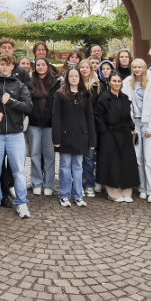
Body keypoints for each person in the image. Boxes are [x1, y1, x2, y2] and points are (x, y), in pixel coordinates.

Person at [0, 54, 32, 218]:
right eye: (2, 64)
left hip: (15, 135)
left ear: (13, 66)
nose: (4, 67)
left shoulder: (19, 85)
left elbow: (28, 107)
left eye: (7, 64)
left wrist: (11, 101)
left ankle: (22, 203)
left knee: (19, 171)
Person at [52, 65, 96, 208]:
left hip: (81, 136)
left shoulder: (85, 94)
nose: (74, 78)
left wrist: (92, 138)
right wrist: (56, 138)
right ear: (67, 78)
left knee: (78, 166)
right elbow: (56, 116)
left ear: (80, 78)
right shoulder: (60, 94)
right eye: (71, 76)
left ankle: (78, 195)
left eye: (76, 76)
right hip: (65, 136)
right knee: (65, 166)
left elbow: (90, 118)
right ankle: (64, 195)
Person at [94, 74, 139, 202]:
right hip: (109, 134)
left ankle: (126, 191)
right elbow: (98, 117)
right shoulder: (103, 98)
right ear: (109, 82)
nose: (117, 83)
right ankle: (113, 192)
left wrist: (132, 127)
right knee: (111, 163)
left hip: (124, 134)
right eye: (114, 81)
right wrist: (104, 132)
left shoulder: (125, 98)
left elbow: (128, 116)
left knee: (126, 163)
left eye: (119, 81)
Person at [126, 59, 151, 202]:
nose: (137, 69)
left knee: (150, 159)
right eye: (135, 67)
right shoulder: (127, 83)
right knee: (138, 159)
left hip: (147, 124)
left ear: (144, 68)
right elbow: (125, 105)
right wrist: (131, 126)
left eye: (140, 67)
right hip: (135, 124)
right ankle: (142, 188)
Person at [28, 57, 59, 195]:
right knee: (35, 154)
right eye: (38, 65)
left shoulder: (55, 82)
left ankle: (49, 184)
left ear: (47, 66)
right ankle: (37, 182)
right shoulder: (30, 81)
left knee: (49, 155)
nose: (40, 67)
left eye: (43, 65)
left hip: (50, 123)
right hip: (34, 122)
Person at [78, 58, 103, 196]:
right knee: (78, 158)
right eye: (82, 67)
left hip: (91, 125)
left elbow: (99, 107)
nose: (84, 69)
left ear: (91, 69)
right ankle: (79, 183)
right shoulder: (74, 84)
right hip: (77, 125)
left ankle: (89, 184)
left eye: (87, 67)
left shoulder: (96, 86)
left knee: (89, 157)